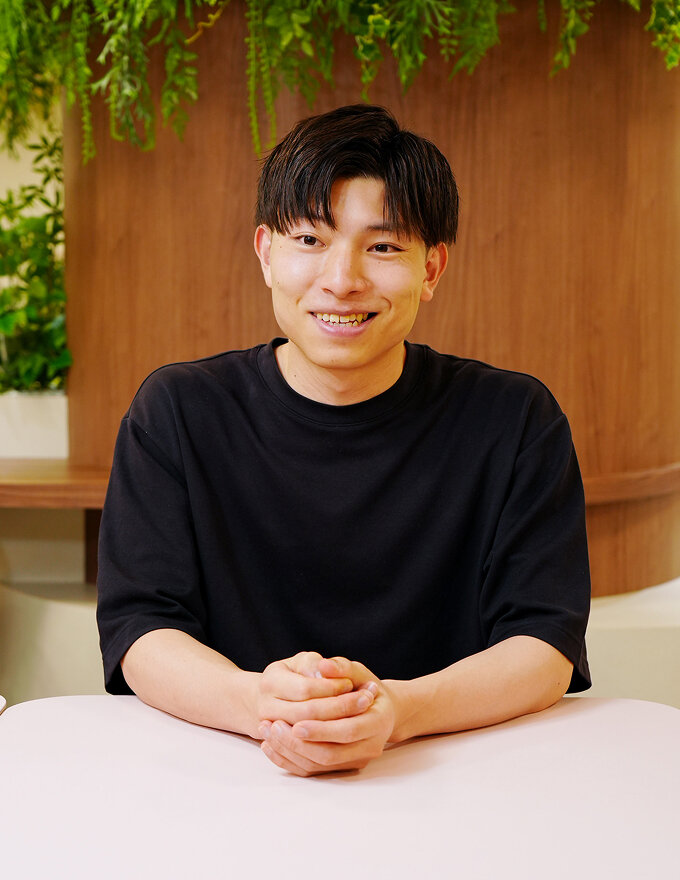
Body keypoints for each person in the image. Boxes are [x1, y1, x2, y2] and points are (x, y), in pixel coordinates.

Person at [97, 104, 590, 777]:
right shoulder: (178, 411)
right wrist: (259, 703)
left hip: (454, 772)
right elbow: (141, 628)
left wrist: (399, 711)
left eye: (382, 247)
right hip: (226, 773)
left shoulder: (515, 419)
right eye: (310, 240)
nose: (341, 279)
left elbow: (545, 642)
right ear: (266, 253)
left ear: (432, 268)